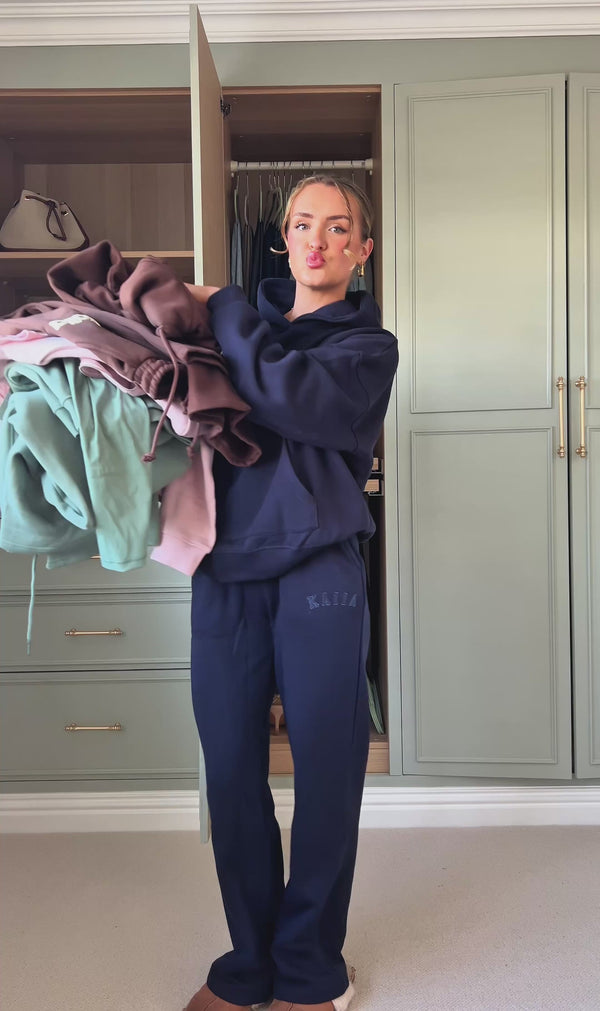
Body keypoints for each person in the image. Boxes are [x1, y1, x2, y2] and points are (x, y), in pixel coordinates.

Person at [183, 175, 398, 1011]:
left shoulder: (367, 347)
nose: (317, 239)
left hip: (321, 572)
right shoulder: (237, 331)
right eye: (303, 223)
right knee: (231, 773)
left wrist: (225, 308)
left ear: (361, 249)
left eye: (337, 227)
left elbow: (287, 393)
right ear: (282, 237)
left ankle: (310, 969)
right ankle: (251, 962)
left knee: (328, 774)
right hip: (225, 570)